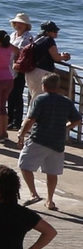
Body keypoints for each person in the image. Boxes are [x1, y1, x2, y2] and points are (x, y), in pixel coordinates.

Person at [20, 71, 80, 211]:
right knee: (52, 173)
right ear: (58, 86)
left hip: (39, 139)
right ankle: (50, 200)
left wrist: (22, 134)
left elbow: (31, 119)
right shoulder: (66, 101)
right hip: (57, 142)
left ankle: (33, 194)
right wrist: (65, 127)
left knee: (24, 165)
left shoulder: (40, 99)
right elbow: (77, 119)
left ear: (44, 86)